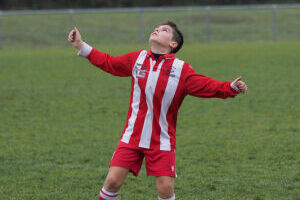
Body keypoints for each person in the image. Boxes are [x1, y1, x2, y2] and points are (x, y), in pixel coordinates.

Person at [68, 21, 247, 200]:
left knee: (165, 188)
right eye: (157, 28)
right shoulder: (137, 59)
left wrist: (231, 87)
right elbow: (109, 63)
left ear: (173, 44)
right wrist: (81, 46)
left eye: (164, 30)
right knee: (112, 181)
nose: (157, 30)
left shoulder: (181, 70)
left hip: (162, 139)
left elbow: (206, 85)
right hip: (132, 135)